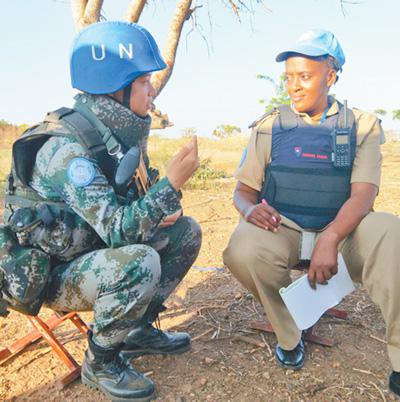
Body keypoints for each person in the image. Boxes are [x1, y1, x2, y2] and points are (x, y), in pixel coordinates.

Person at [2, 21, 202, 401]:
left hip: (91, 252)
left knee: (186, 232)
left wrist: (161, 204)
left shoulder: (115, 135)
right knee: (140, 261)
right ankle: (102, 361)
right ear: (117, 86)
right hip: (54, 270)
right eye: (144, 81)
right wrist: (171, 185)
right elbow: (119, 232)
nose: (152, 90)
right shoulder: (67, 150)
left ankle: (137, 331)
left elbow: (130, 207)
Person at [223, 29, 400, 397]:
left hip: (343, 233)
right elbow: (243, 191)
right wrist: (249, 209)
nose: (294, 86)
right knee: (242, 247)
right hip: (283, 229)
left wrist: (332, 237)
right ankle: (289, 333)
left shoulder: (362, 125)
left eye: (304, 76)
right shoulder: (270, 126)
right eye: (289, 77)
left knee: (391, 232)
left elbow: (363, 195)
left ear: (331, 75)